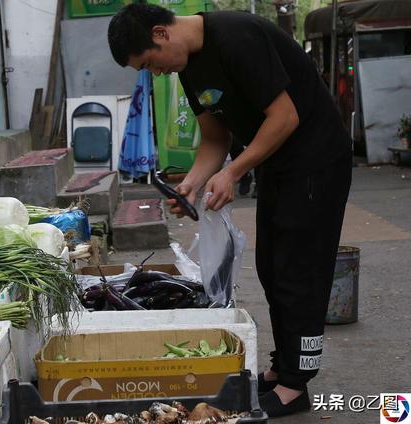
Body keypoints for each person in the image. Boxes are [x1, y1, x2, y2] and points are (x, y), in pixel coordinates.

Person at [108, 4, 352, 418]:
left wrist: (234, 171)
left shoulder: (237, 37)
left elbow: (285, 115)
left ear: (161, 34)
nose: (156, 73)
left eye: (150, 63)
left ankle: (297, 384)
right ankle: (283, 367)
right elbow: (214, 139)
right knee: (271, 268)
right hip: (277, 164)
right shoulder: (188, 67)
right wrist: (192, 183)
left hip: (316, 160)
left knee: (299, 269)